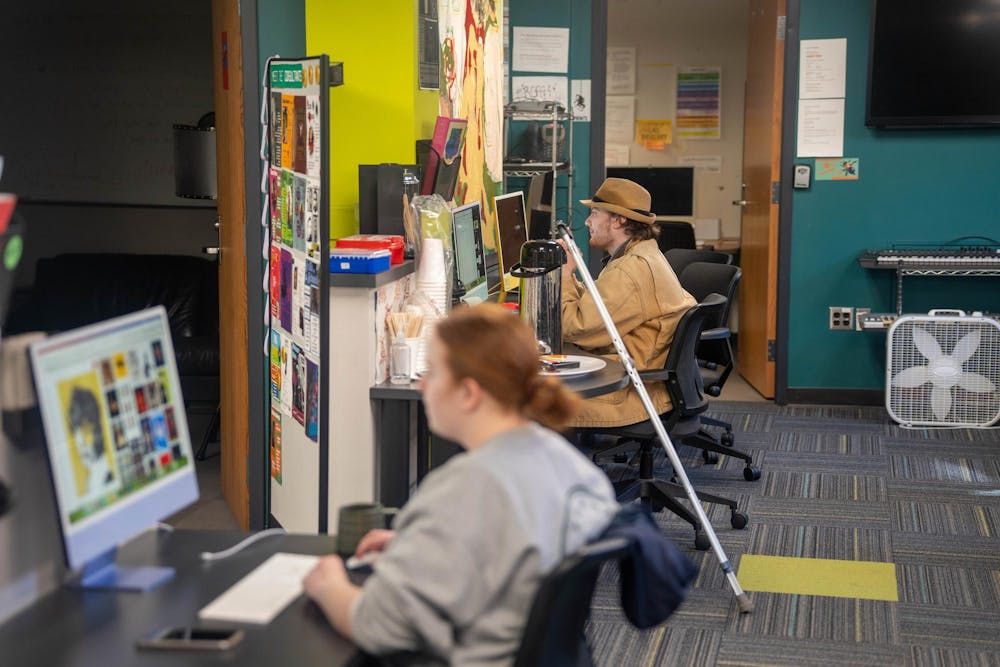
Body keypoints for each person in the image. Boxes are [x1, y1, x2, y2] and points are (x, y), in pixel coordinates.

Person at [303, 304, 618, 665]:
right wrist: (423, 544)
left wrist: (329, 586)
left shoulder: (460, 491)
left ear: (469, 393)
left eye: (433, 372)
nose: (422, 385)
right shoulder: (580, 473)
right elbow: (518, 548)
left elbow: (377, 624)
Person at [559, 177, 696, 428]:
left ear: (619, 220)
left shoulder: (629, 271)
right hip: (646, 383)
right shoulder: (644, 253)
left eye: (595, 213)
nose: (587, 221)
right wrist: (573, 275)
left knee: (529, 398)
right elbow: (600, 306)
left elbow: (575, 327)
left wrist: (566, 276)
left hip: (631, 394)